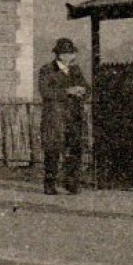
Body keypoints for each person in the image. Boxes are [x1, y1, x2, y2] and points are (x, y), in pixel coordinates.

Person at [38, 38, 89, 194]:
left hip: (74, 117)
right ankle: (50, 184)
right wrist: (68, 91)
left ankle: (71, 183)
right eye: (66, 53)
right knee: (53, 150)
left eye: (71, 53)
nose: (70, 56)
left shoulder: (76, 70)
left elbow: (87, 88)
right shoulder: (47, 70)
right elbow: (45, 92)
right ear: (59, 55)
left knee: (74, 150)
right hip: (55, 118)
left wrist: (83, 91)